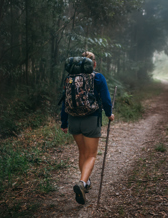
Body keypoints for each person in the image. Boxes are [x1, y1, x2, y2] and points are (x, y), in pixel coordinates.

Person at [60, 51, 114, 205]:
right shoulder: (97, 77)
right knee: (91, 155)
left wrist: (64, 123)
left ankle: (87, 181)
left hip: (73, 120)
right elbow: (106, 99)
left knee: (82, 152)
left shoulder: (70, 78)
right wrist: (109, 114)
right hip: (91, 119)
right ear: (93, 63)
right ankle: (82, 183)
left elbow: (65, 102)